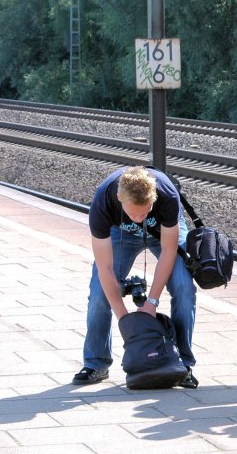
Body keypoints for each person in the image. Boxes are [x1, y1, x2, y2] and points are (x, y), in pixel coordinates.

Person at [73, 166, 198, 388]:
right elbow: (105, 268)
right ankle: (96, 363)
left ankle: (183, 364)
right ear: (120, 199)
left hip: (162, 231)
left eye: (145, 211)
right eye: (134, 213)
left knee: (183, 287)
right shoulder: (102, 203)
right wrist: (124, 318)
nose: (140, 218)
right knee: (99, 292)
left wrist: (152, 302)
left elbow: (169, 251)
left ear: (154, 198)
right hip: (120, 233)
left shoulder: (168, 196)